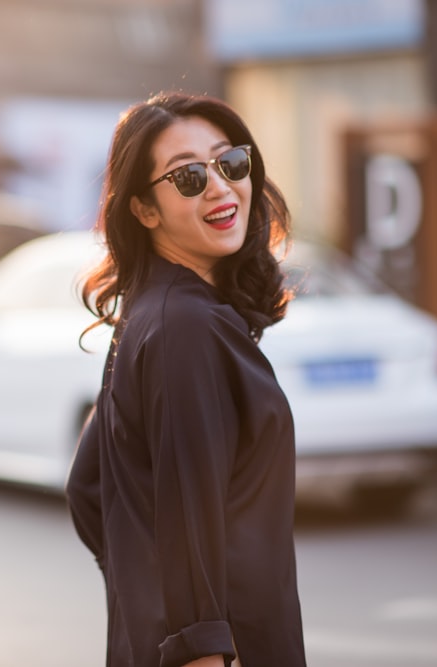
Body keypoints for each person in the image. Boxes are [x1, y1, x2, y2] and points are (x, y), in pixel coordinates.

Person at [66, 91, 306, 667]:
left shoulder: (154, 310)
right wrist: (199, 647)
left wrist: (142, 594)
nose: (221, 187)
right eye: (189, 177)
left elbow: (89, 489)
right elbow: (185, 514)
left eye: (230, 164)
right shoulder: (186, 328)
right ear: (144, 210)